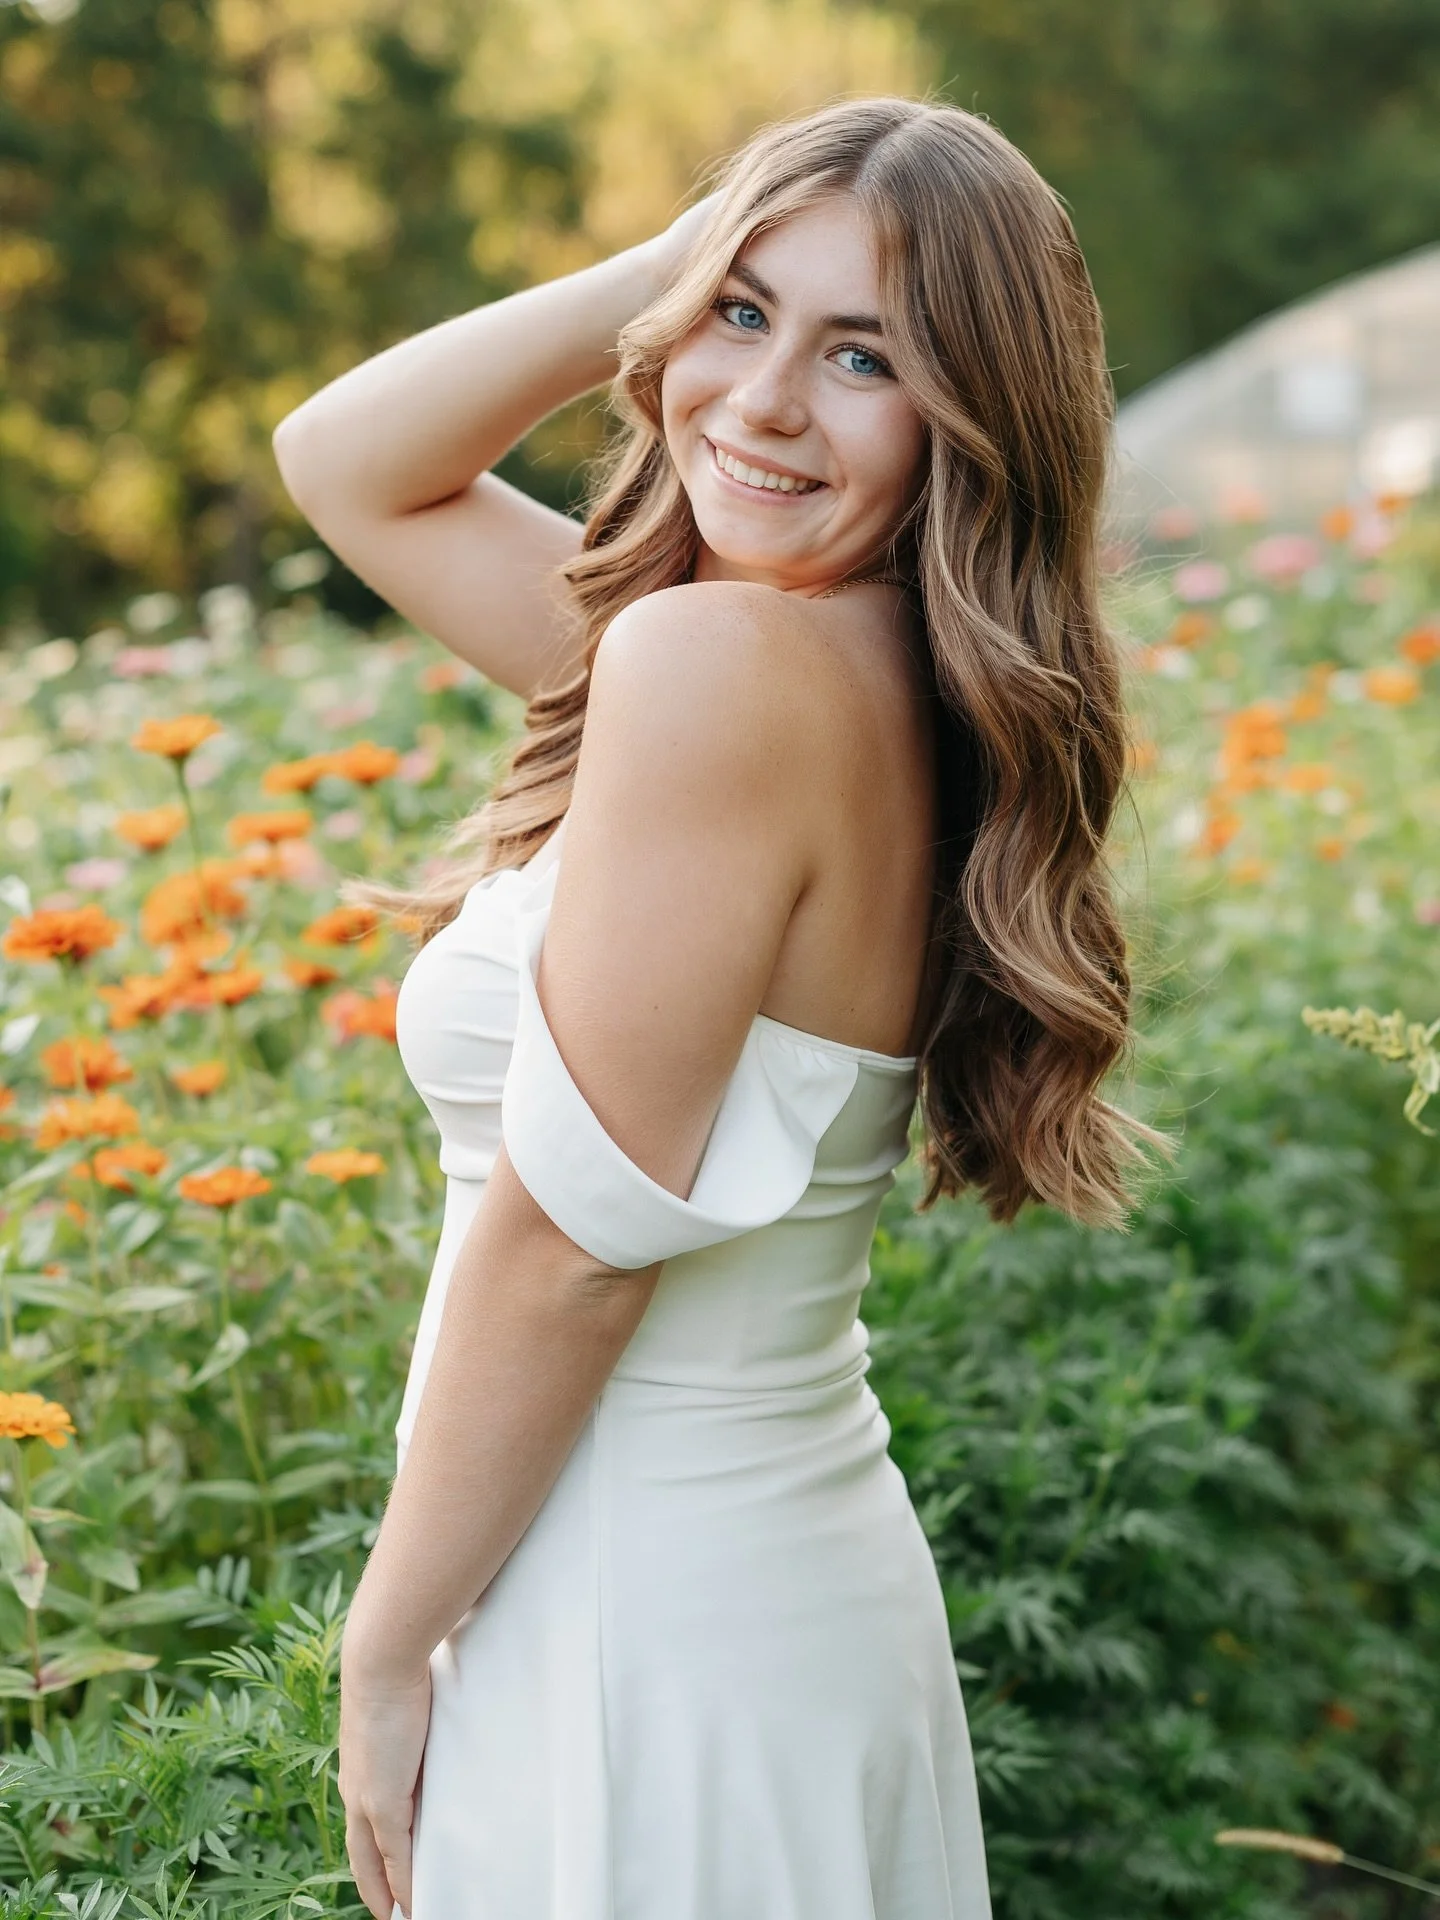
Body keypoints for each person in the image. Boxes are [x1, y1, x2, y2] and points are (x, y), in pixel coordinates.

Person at [272, 92, 1168, 1920]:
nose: (761, 403)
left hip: (629, 1620)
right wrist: (706, 253)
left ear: (973, 422)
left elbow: (575, 1253)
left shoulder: (711, 673)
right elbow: (346, 459)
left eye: (867, 357)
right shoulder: (869, 685)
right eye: (741, 318)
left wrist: (386, 1641)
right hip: (769, 1598)